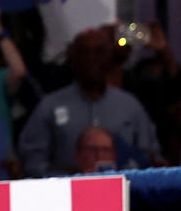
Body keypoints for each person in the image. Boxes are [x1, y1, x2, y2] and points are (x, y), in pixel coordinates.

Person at [17, 26, 158, 178]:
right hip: (65, 196)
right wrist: (65, 177)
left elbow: (150, 156)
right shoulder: (50, 106)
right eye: (85, 52)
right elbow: (32, 161)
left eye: (99, 52)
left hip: (123, 195)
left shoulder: (130, 106)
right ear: (73, 58)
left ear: (108, 59)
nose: (92, 59)